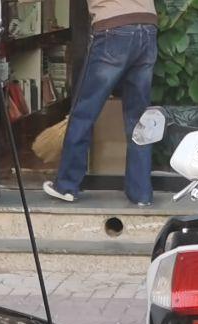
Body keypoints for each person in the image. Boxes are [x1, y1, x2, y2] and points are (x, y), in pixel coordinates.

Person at [43, 0, 157, 207]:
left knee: (84, 112)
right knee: (139, 119)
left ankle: (66, 185)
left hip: (113, 30)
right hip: (147, 27)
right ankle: (141, 193)